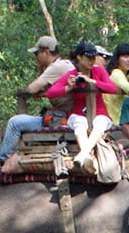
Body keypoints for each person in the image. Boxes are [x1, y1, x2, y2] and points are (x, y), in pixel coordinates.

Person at [0, 36, 75, 175]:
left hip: (62, 119)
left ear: (46, 52)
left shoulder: (56, 67)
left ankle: (1, 161)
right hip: (68, 116)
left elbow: (32, 89)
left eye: (37, 54)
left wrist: (40, 86)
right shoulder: (64, 64)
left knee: (15, 123)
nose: (35, 57)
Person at [44, 40, 119, 169]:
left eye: (94, 57)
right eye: (88, 57)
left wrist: (93, 82)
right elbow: (50, 93)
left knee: (100, 122)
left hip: (100, 112)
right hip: (79, 112)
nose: (92, 61)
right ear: (79, 57)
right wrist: (67, 88)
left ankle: (83, 154)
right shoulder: (72, 74)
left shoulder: (99, 72)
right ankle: (86, 155)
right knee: (79, 123)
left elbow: (112, 88)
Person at [103, 43, 129, 123]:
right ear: (117, 59)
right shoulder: (116, 73)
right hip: (115, 121)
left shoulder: (124, 75)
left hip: (119, 120)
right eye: (125, 57)